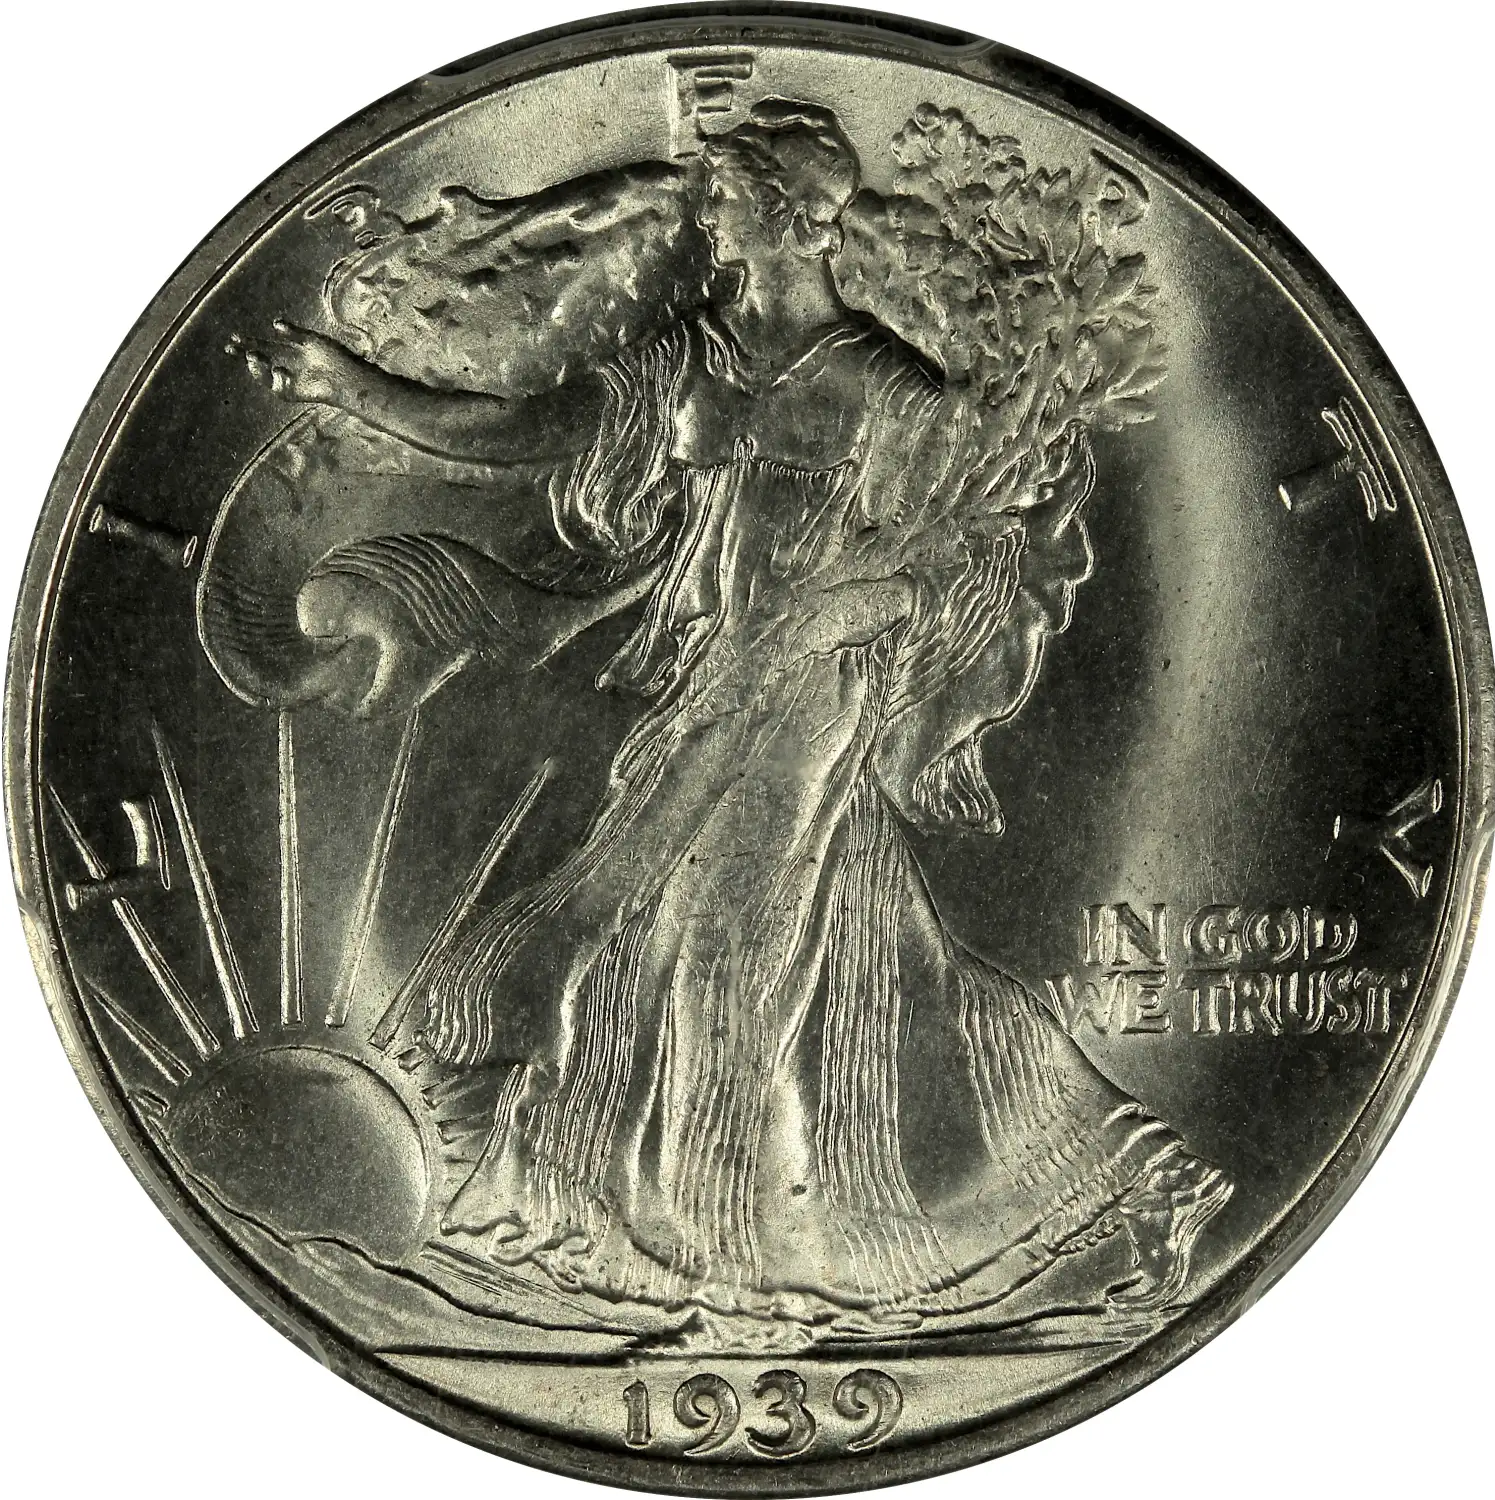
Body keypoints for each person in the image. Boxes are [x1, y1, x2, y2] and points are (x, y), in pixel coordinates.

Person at [235, 99, 1230, 1334]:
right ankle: (1120, 1183)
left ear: (801, 217)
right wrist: (357, 389)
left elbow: (945, 564)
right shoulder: (688, 359)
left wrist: (822, 621)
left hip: (812, 694)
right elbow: (527, 432)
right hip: (706, 680)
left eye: (734, 195)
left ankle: (732, 1260)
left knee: (725, 959)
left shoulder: (889, 387)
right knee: (814, 955)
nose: (711, 212)